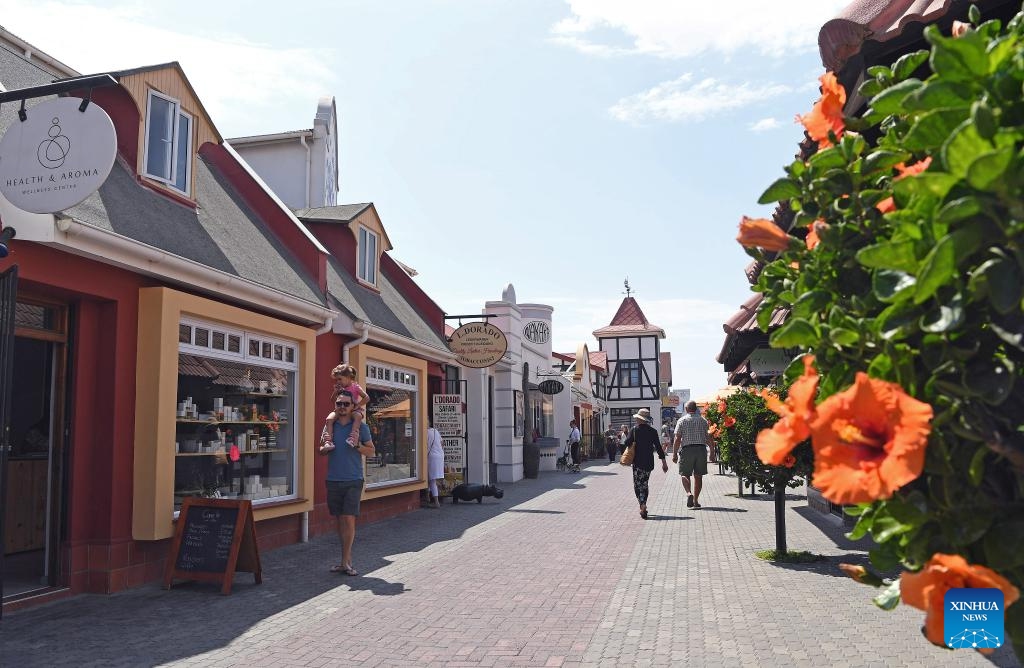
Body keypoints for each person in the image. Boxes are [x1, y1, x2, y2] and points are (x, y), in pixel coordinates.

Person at [319, 393, 375, 576]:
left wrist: (357, 446)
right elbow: (321, 449)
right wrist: (325, 449)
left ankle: (345, 562)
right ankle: (346, 561)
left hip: (353, 479)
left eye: (346, 404)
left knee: (348, 519)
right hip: (333, 479)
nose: (342, 406)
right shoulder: (330, 425)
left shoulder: (361, 427)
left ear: (353, 406)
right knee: (340, 521)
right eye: (339, 403)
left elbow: (371, 452)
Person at [623, 408, 668, 519]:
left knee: (637, 485)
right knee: (644, 484)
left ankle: (642, 504)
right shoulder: (653, 431)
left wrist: (628, 436)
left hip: (637, 463)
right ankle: (643, 503)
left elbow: (626, 443)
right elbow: (659, 448)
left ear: (640, 419)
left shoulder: (634, 430)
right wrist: (664, 463)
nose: (636, 420)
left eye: (637, 418)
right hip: (648, 463)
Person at [320, 364, 371, 451]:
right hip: (340, 410)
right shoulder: (340, 388)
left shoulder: (355, 387)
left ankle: (352, 438)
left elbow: (366, 398)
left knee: (358, 417)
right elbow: (332, 400)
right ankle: (328, 442)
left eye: (340, 379)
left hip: (353, 410)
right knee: (329, 419)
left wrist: (358, 405)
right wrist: (335, 392)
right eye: (336, 380)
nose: (338, 382)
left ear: (348, 377)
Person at [672, 400, 711, 509]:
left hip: (687, 450)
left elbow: (677, 438)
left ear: (686, 409)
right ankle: (696, 501)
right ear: (696, 408)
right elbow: (708, 437)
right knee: (698, 476)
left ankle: (689, 493)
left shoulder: (682, 420)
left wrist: (674, 454)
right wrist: (712, 452)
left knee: (684, 474)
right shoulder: (703, 420)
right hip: (701, 449)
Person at [426, 420, 444, 508]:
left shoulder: (425, 433)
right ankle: (427, 498)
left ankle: (436, 502)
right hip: (440, 456)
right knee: (431, 478)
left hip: (431, 457)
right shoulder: (435, 431)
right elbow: (442, 443)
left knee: (431, 479)